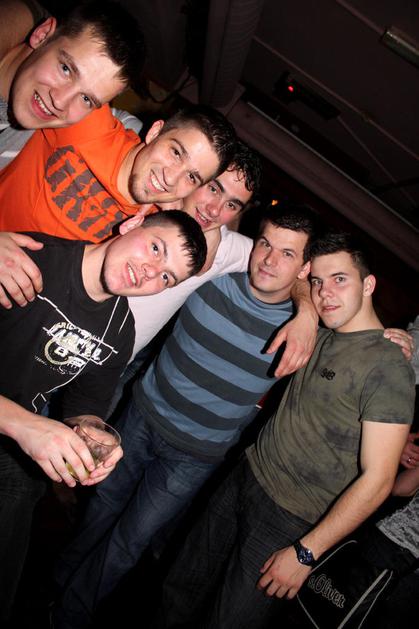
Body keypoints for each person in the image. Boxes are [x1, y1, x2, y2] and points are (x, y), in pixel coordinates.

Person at [51, 203, 317, 629]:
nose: (269, 260)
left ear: (305, 269)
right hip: (142, 418)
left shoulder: (305, 332)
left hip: (195, 455)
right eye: (265, 244)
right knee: (98, 512)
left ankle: (67, 616)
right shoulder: (210, 277)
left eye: (287, 254)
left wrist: (390, 339)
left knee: (128, 542)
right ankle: (55, 585)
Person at [156, 231, 415, 629]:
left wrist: (306, 553)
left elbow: (379, 480)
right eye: (319, 281)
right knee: (177, 590)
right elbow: (297, 283)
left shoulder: (388, 366)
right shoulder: (322, 330)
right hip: (245, 476)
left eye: (340, 279)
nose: (326, 293)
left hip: (290, 521)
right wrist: (308, 312)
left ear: (368, 285)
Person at [0, 209, 206, 625]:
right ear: (132, 224)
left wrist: (95, 435)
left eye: (166, 277)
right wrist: (23, 423)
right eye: (156, 248)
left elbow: (84, 407)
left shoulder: (119, 331)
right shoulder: (30, 259)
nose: (150, 272)